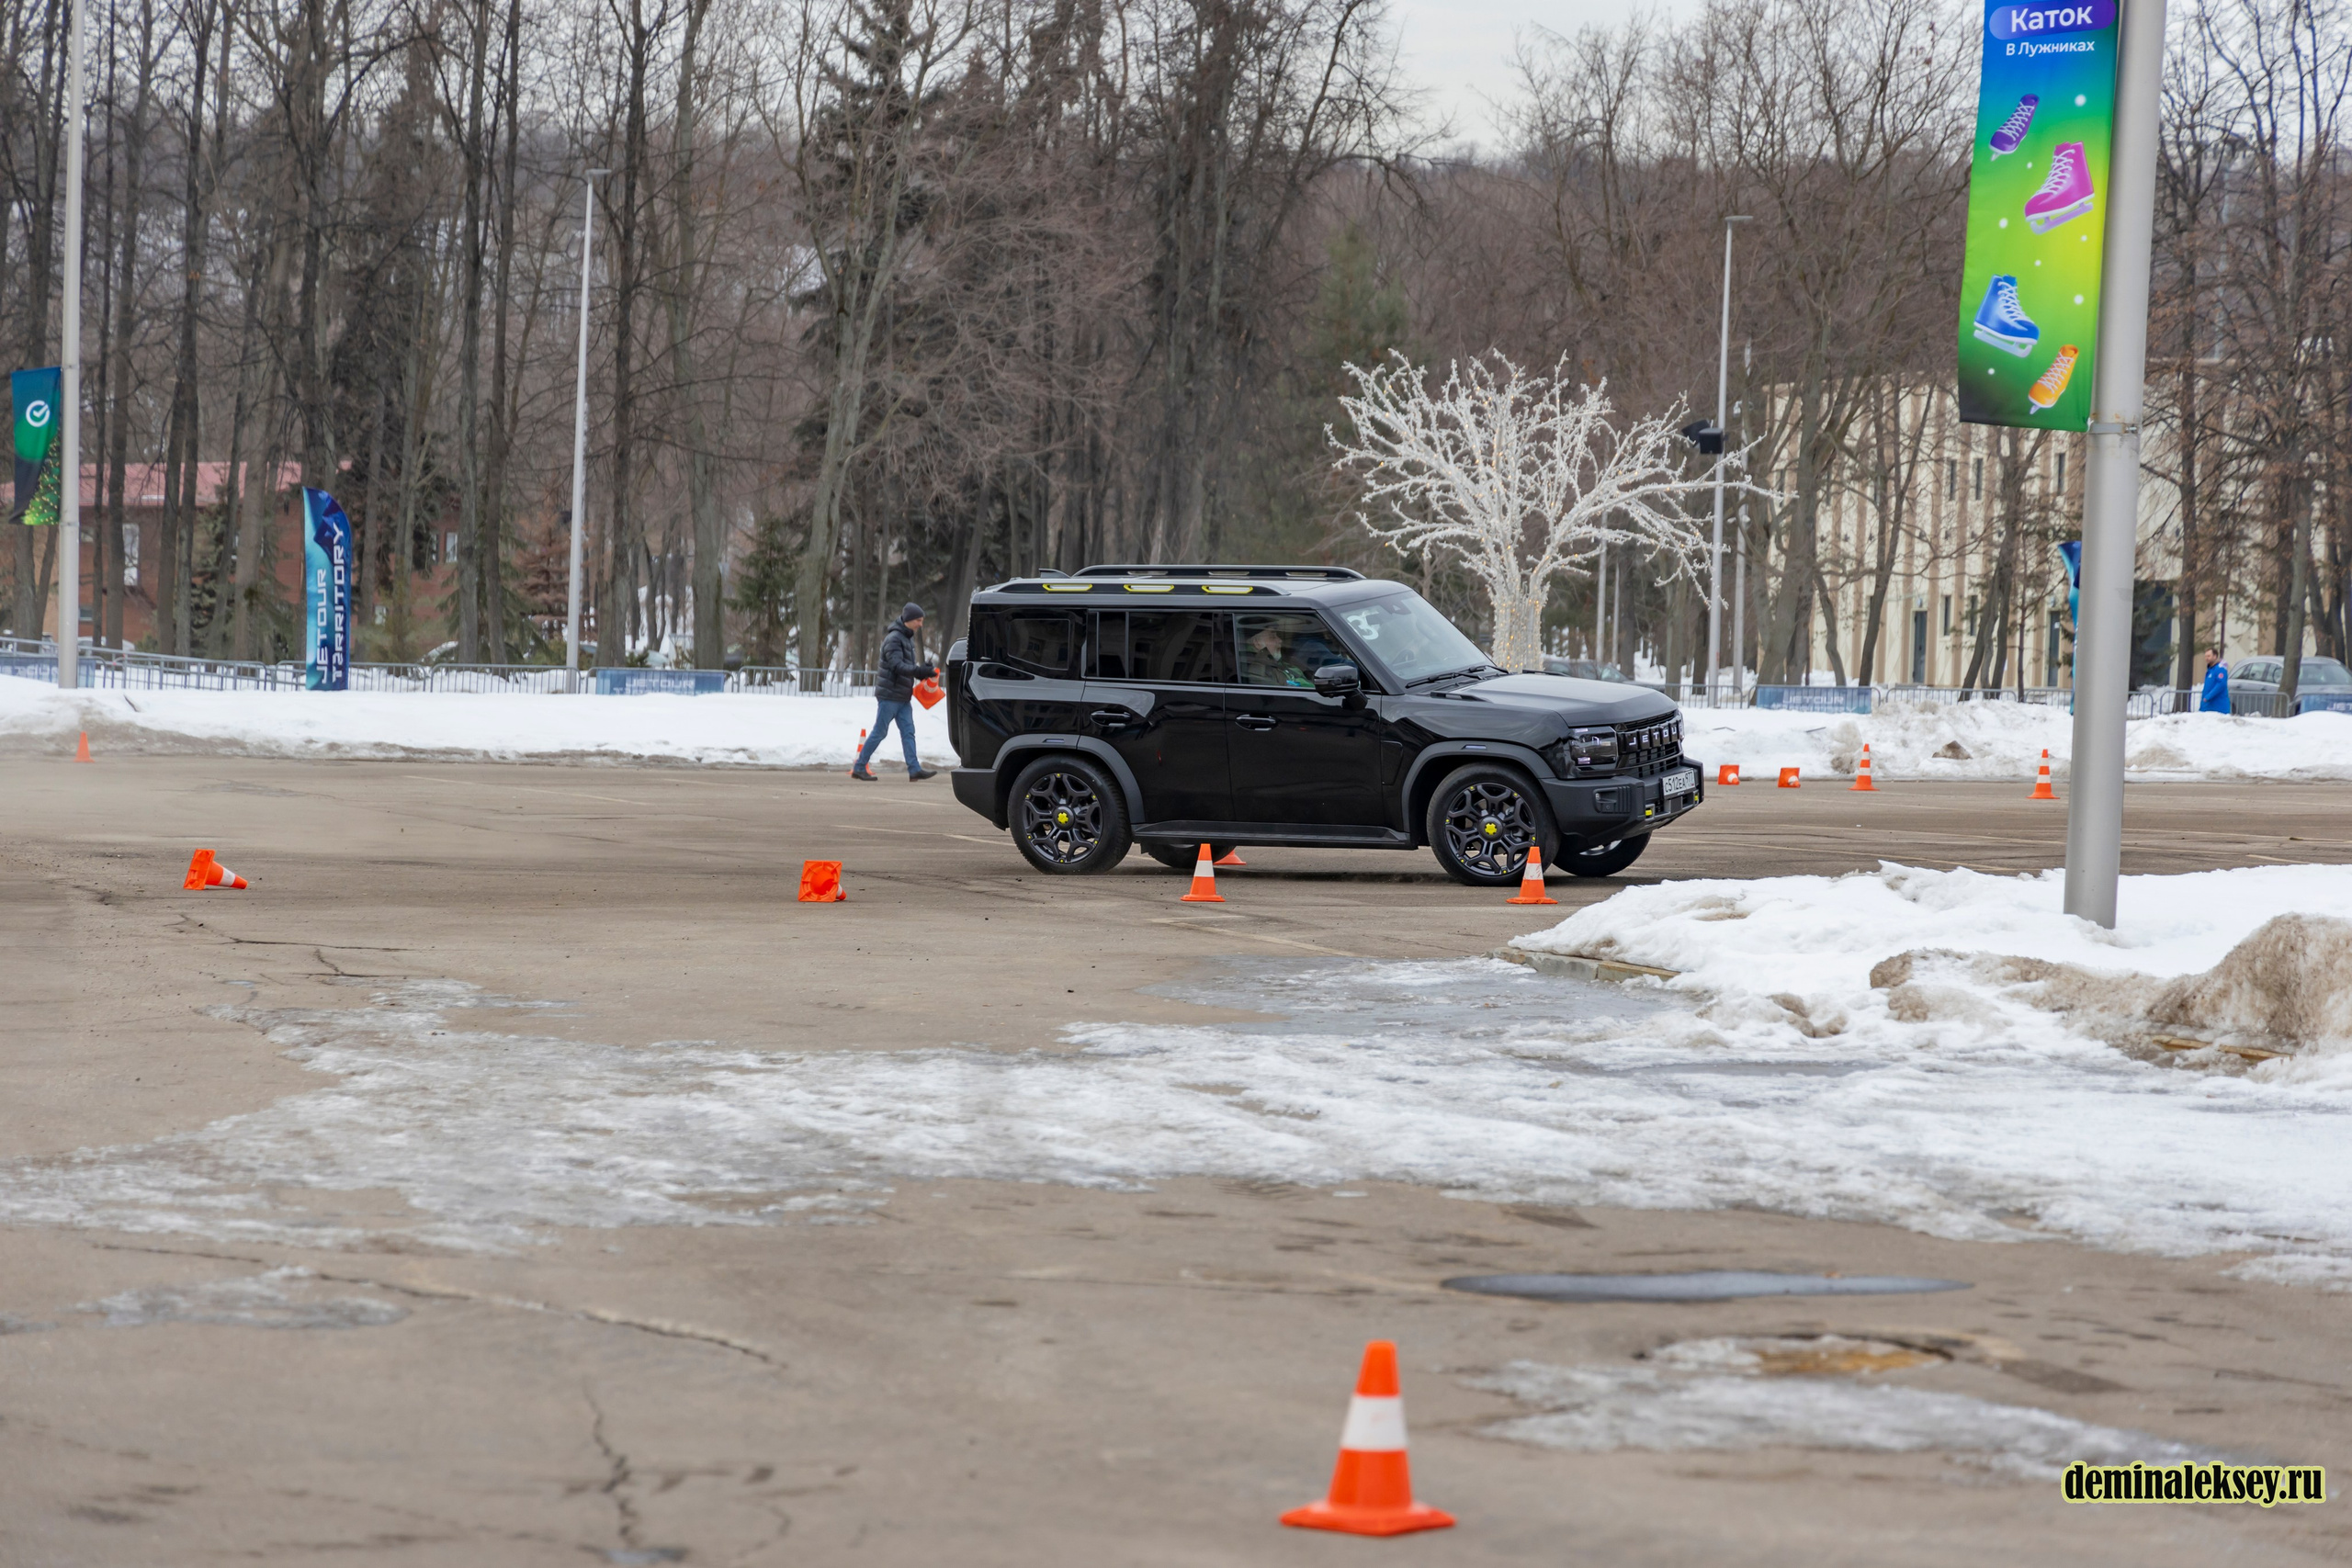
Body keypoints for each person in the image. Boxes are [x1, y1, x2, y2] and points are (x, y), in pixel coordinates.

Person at [854, 603, 939, 782]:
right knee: (880, 732)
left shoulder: (906, 638)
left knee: (908, 732)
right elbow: (897, 666)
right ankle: (860, 767)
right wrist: (918, 671)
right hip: (890, 695)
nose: (921, 624)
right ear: (908, 620)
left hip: (902, 696)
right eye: (918, 620)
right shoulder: (894, 639)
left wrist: (923, 670)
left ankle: (914, 769)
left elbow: (906, 666)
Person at [2199, 646, 2230, 714]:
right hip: (2208, 706)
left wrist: (2208, 697)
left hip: (2218, 707)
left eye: (2209, 656)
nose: (2206, 658)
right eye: (2206, 656)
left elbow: (2221, 684)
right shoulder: (2210, 670)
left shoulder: (2220, 669)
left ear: (2215, 656)